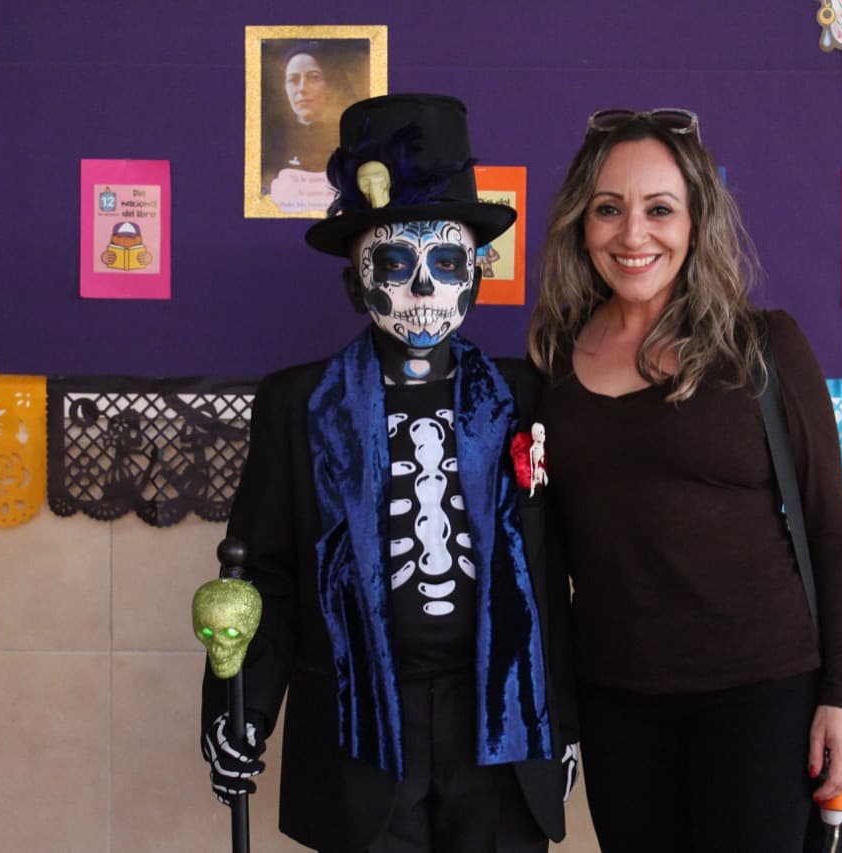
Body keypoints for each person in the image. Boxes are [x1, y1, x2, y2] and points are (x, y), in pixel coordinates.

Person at [202, 93, 578, 853]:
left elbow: (556, 574)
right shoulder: (300, 402)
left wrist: (563, 723)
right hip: (359, 728)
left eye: (445, 263)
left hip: (499, 727)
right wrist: (234, 706)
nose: (423, 289)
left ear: (475, 276)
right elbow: (262, 575)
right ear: (355, 282)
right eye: (394, 263)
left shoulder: (526, 395)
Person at [527, 108, 842, 852]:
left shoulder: (762, 347)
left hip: (762, 695)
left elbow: (830, 530)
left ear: (696, 220)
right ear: (582, 224)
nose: (632, 234)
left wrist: (841, 697)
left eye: (659, 209)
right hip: (617, 701)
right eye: (608, 209)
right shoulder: (551, 361)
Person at [261, 40, 367, 211]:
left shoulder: (349, 138)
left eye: (313, 77)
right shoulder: (273, 144)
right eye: (293, 80)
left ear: (330, 84)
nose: (302, 89)